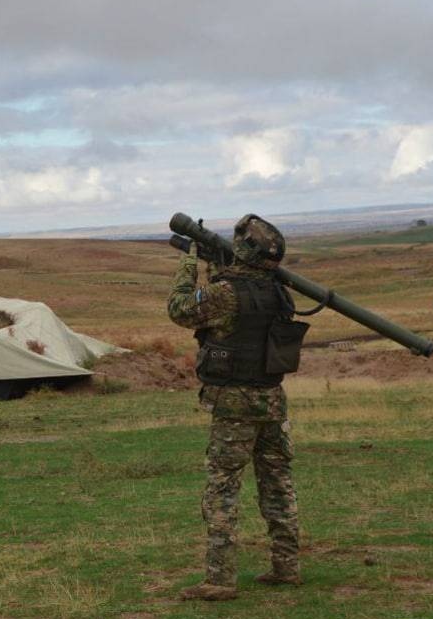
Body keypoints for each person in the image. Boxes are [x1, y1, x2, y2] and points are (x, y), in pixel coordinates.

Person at [167, 214, 306, 602]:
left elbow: (180, 309)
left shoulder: (226, 292)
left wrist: (189, 264)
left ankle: (220, 579)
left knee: (222, 488)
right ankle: (287, 567)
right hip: (272, 400)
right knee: (278, 483)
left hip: (234, 404)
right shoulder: (280, 292)